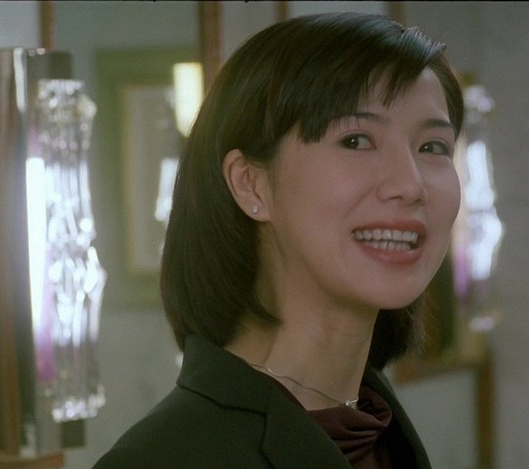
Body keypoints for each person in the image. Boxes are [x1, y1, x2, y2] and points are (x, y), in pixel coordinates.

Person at [93, 11, 464, 469]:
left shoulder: (382, 433)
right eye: (356, 141)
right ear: (251, 184)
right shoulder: (161, 460)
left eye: (432, 147)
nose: (410, 185)